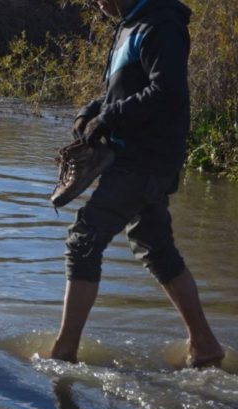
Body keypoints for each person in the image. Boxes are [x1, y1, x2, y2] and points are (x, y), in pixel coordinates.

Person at [49, 0, 225, 367]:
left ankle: (62, 356)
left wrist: (109, 118)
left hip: (144, 161)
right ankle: (205, 346)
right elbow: (126, 88)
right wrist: (92, 110)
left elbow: (167, 92)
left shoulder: (162, 25)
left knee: (83, 241)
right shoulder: (131, 24)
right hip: (139, 159)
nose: (96, 2)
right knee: (156, 248)